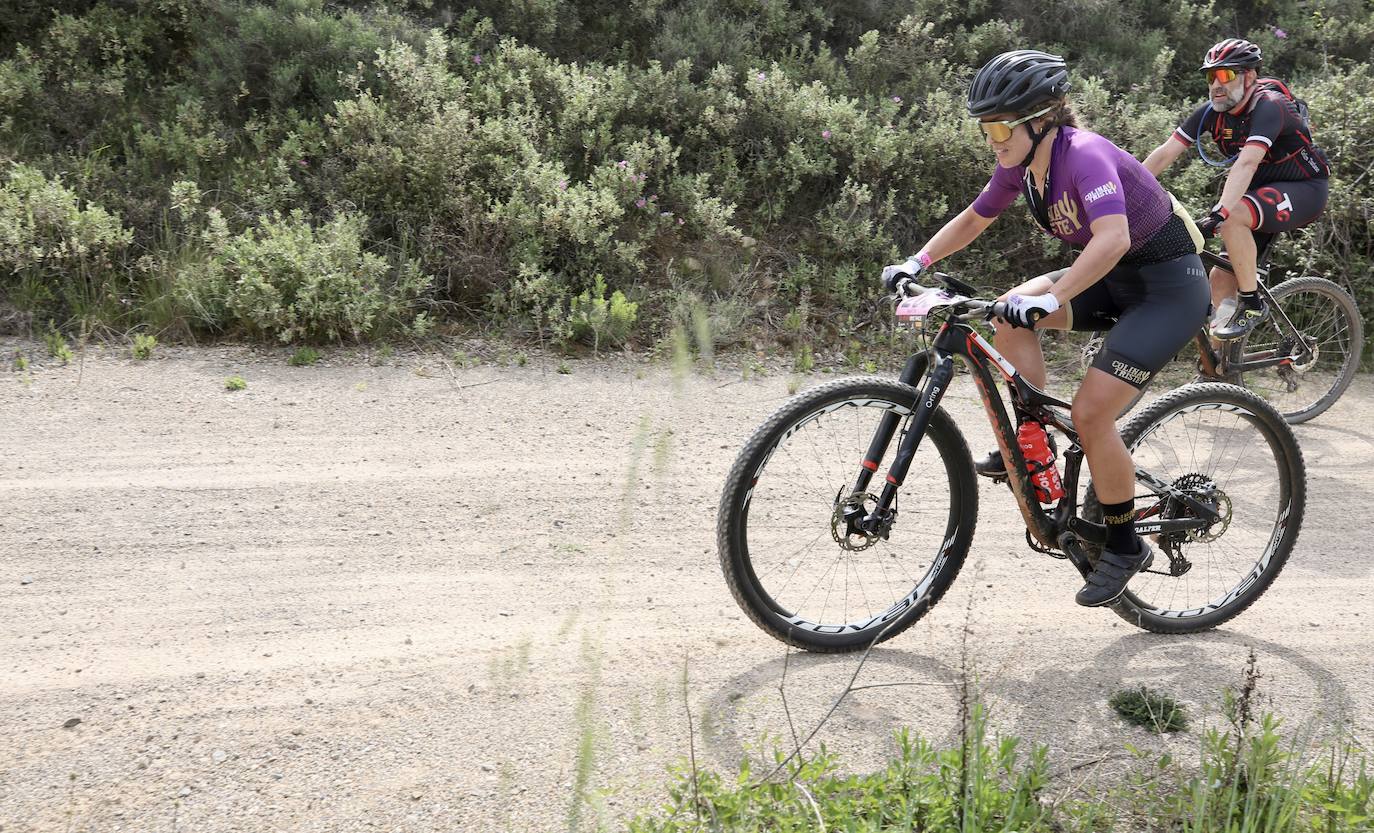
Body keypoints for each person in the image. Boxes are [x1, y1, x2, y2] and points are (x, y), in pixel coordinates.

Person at [881, 50, 1209, 607]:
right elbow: (976, 216)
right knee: (1009, 309)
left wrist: (1055, 296)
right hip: (1112, 280)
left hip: (1168, 290)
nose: (993, 138)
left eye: (1001, 126)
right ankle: (1034, 444)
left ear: (1042, 119)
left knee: (1090, 413)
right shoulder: (1022, 164)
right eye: (986, 128)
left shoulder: (1084, 155)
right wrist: (919, 261)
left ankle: (1127, 545)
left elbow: (1112, 240)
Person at [1142, 38, 1330, 339]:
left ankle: (1253, 304)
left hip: (1304, 187)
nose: (1216, 84)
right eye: (1210, 76)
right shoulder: (1210, 113)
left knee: (1232, 217)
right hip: (1258, 193)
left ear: (1250, 77)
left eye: (1225, 75)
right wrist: (1123, 192)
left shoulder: (1271, 106)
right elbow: (1165, 153)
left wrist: (1220, 213)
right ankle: (1218, 372)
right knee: (1219, 280)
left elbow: (1246, 164)